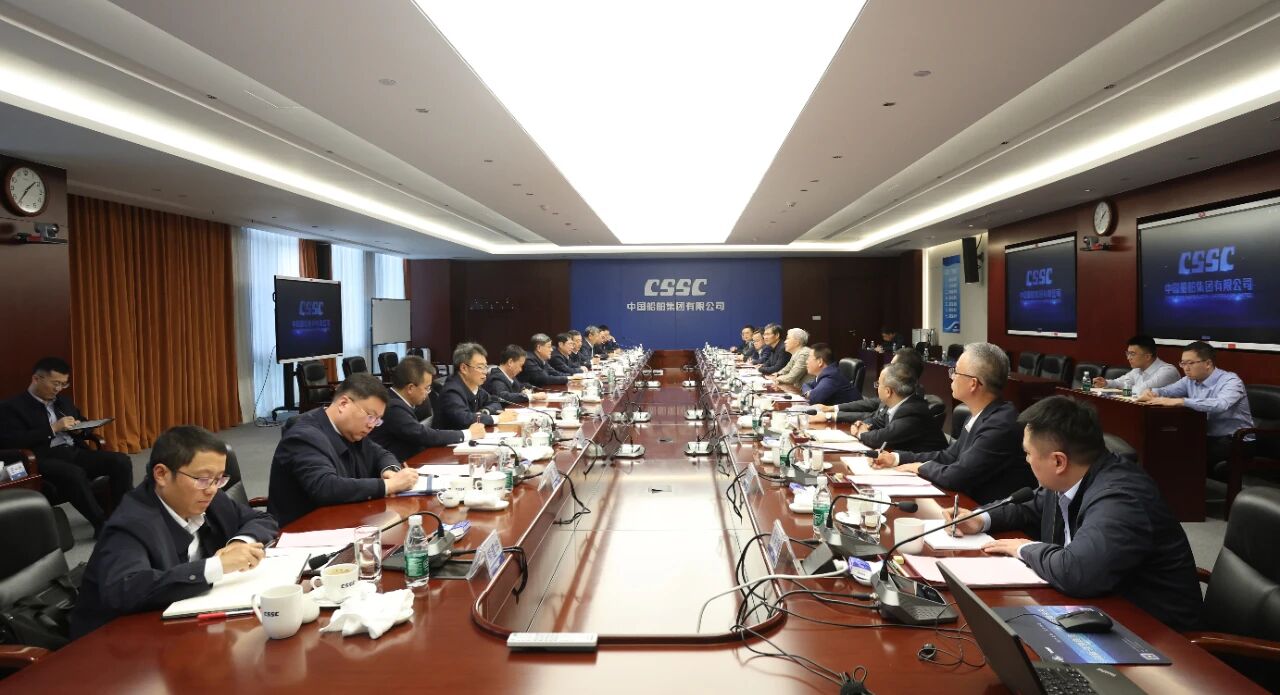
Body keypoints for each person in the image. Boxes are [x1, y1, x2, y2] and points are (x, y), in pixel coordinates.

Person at [946, 396, 1201, 630]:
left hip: (1156, 633)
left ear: (1058, 461)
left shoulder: (1121, 498)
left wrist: (1024, 548)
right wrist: (980, 518)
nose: (1026, 460)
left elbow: (1076, 572)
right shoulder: (1074, 476)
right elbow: (1029, 504)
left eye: (1028, 453)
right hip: (1099, 610)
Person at [71, 426, 279, 638]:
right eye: (203, 478)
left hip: (187, 619)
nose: (212, 489)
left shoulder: (208, 496)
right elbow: (126, 590)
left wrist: (239, 543)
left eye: (219, 479)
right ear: (161, 474)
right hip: (119, 641)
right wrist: (217, 566)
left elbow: (262, 519)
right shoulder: (130, 523)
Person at [872, 342, 1034, 503]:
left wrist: (919, 467)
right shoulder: (979, 414)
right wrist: (896, 458)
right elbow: (949, 456)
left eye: (955, 372)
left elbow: (957, 475)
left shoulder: (1001, 425)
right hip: (967, 503)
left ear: (973, 383)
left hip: (989, 512)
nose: (951, 377)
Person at [0, 357, 133, 537]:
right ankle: (102, 524)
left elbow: (83, 422)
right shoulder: (11, 407)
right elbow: (11, 441)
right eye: (55, 383)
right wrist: (53, 429)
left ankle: (122, 517)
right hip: (41, 458)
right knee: (74, 474)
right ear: (36, 379)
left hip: (73, 451)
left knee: (121, 461)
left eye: (63, 384)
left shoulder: (64, 401)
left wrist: (80, 429)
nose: (58, 389)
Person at [268, 374, 419, 526]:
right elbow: (326, 487)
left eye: (377, 420)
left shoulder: (350, 431)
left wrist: (390, 471)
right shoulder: (304, 437)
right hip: (304, 530)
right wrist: (389, 485)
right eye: (370, 416)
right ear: (343, 403)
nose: (372, 425)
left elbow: (381, 454)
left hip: (344, 520)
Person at [1137, 341, 1253, 473]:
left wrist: (1181, 401)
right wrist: (1152, 392)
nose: (1185, 368)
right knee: (1164, 444)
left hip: (1236, 440)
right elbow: (1166, 391)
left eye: (1190, 363)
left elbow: (1221, 404)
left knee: (1183, 454)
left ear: (1208, 363)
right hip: (1205, 436)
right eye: (1183, 363)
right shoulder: (1189, 380)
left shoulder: (1231, 381)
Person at [369, 356, 485, 461]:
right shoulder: (393, 407)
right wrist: (467, 434)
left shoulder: (400, 401)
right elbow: (422, 435)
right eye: (427, 388)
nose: (428, 393)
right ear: (410, 388)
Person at [850, 363, 947, 453]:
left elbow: (882, 438)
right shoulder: (896, 402)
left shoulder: (913, 411)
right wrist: (861, 424)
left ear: (888, 392)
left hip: (930, 463)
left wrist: (860, 433)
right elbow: (877, 421)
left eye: (878, 384)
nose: (877, 387)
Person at [814, 348, 924, 424]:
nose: (888, 368)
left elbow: (877, 421)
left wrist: (831, 416)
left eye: (892, 365)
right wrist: (832, 409)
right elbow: (871, 405)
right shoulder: (897, 391)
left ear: (904, 371)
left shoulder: (908, 401)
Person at [435, 343, 508, 431]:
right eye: (480, 367)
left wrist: (485, 411)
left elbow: (495, 403)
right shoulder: (451, 391)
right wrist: (497, 418)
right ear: (464, 368)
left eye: (485, 367)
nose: (485, 372)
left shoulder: (475, 387)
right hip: (453, 439)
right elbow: (464, 419)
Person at [1092, 335, 1179, 393]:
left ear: (1147, 356)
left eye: (1132, 354)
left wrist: (1124, 387)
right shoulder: (1137, 369)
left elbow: (1141, 391)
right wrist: (1106, 383)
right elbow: (1120, 382)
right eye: (1128, 353)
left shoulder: (1167, 372)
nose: (1128, 358)